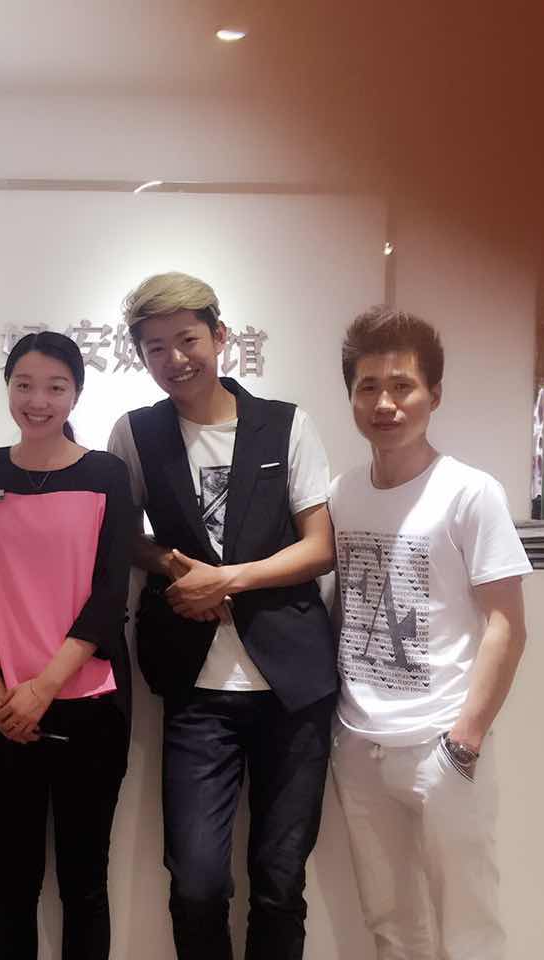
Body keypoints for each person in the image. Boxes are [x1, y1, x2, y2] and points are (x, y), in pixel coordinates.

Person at [106, 272, 337, 960]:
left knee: (279, 882)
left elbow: (320, 547)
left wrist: (230, 579)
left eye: (188, 339)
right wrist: (176, 568)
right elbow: (123, 537)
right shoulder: (137, 433)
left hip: (292, 687)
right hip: (195, 691)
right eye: (155, 347)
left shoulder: (287, 425)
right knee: (198, 884)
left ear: (220, 336)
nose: (175, 358)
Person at [327, 306, 531, 960]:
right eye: (368, 387)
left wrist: (464, 740)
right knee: (390, 924)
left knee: (469, 924)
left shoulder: (470, 493)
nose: (384, 403)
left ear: (433, 395)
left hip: (442, 745)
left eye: (402, 386)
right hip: (358, 741)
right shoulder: (341, 494)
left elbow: (507, 623)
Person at [0, 332, 135, 960]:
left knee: (85, 883)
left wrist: (44, 688)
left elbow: (109, 595)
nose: (38, 401)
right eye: (24, 385)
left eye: (55, 387)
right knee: (14, 881)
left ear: (75, 393)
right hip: (3, 710)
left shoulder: (106, 475)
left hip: (91, 708)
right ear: (7, 388)